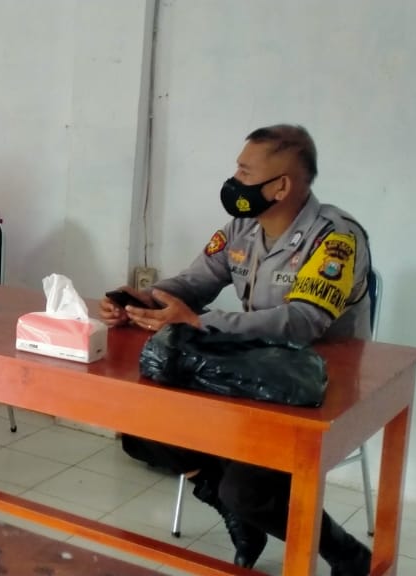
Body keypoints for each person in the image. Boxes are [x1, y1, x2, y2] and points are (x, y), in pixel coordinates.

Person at [101, 125, 373, 575]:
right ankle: (232, 507)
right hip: (253, 368)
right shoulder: (242, 228)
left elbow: (303, 321)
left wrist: (199, 321)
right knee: (142, 425)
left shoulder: (336, 239)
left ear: (281, 186)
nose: (234, 181)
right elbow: (197, 282)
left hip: (314, 383)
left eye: (245, 172)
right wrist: (147, 300)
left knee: (248, 490)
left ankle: (346, 553)